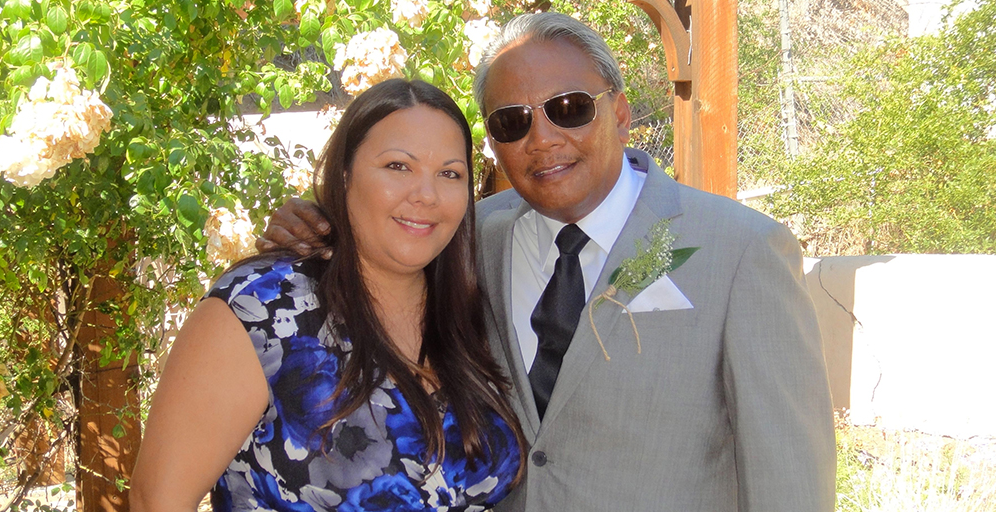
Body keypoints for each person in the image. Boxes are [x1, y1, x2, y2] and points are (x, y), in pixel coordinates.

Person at [258, 12, 836, 512]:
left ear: (621, 113)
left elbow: (789, 479)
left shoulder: (741, 251)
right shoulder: (465, 238)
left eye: (569, 108)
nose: (542, 138)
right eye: (512, 121)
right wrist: (319, 226)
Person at [130, 79, 527, 511]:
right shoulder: (262, 309)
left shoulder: (469, 309)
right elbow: (159, 499)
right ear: (344, 174)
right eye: (398, 166)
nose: (426, 195)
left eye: (449, 174)